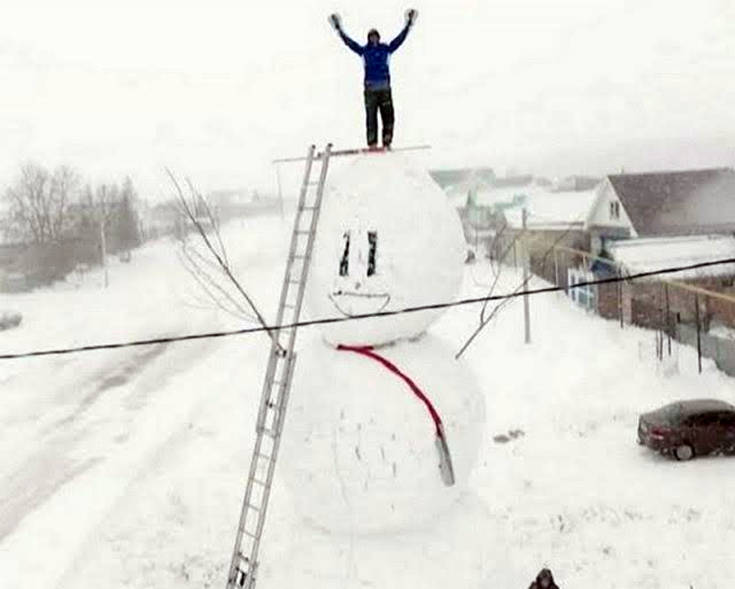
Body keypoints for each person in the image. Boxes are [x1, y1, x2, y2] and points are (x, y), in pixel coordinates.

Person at [329, 10, 418, 149]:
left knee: (388, 116)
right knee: (371, 118)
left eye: (375, 36)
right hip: (370, 89)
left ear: (378, 37)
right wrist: (339, 29)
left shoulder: (386, 49)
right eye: (371, 37)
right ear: (368, 39)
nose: (374, 39)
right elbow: (349, 43)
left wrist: (408, 25)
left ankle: (387, 141)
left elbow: (400, 39)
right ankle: (372, 143)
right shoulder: (364, 51)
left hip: (384, 88)